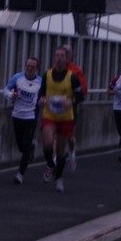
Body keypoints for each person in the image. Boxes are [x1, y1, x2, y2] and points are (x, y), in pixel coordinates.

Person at [39, 47, 83, 192]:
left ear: (66, 59)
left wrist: (71, 101)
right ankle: (51, 164)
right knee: (47, 144)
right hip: (49, 115)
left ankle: (58, 178)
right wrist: (41, 99)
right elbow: (42, 92)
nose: (59, 58)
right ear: (54, 57)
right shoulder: (47, 74)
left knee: (60, 150)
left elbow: (80, 96)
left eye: (62, 56)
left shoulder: (72, 77)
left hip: (65, 117)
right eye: (57, 55)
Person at [3, 56, 42, 184]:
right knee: (20, 146)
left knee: (25, 146)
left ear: (36, 69)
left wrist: (44, 101)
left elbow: (45, 96)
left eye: (32, 66)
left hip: (31, 116)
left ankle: (20, 174)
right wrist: (11, 95)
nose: (29, 68)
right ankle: (31, 146)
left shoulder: (40, 82)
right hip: (17, 114)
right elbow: (5, 90)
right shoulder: (17, 78)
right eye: (28, 66)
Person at [61, 45, 88, 172]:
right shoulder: (54, 69)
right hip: (56, 106)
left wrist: (72, 98)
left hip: (71, 107)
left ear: (71, 55)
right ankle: (54, 162)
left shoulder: (76, 70)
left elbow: (83, 90)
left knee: (69, 135)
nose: (64, 56)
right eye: (62, 53)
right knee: (55, 133)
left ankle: (71, 153)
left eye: (67, 53)